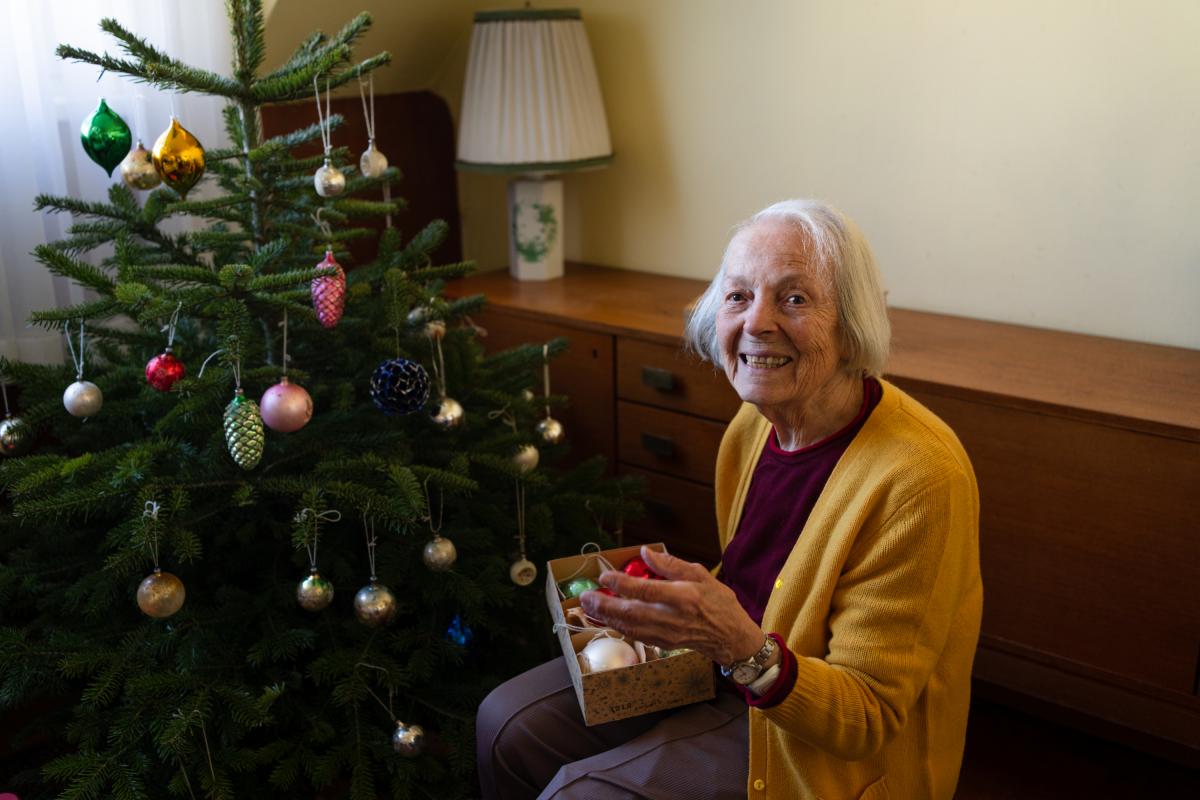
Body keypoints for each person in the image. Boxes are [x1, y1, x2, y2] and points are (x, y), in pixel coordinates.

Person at [476, 198, 982, 799]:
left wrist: (737, 644)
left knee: (576, 795)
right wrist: (682, 615)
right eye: (738, 297)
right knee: (504, 724)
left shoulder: (918, 476)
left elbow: (866, 718)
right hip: (733, 669)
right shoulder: (753, 425)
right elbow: (759, 579)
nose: (757, 323)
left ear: (851, 328)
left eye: (794, 299)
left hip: (816, 735)